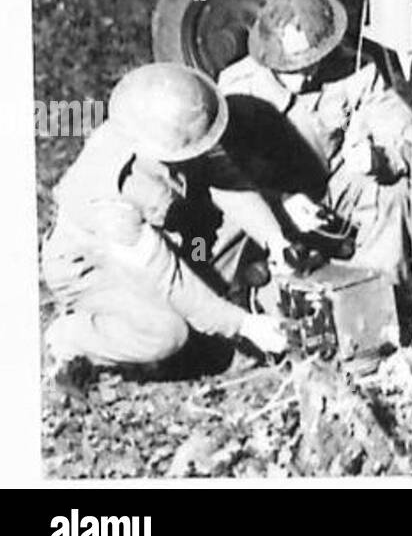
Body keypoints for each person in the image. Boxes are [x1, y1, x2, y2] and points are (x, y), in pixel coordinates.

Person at [42, 63, 288, 396]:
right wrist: (243, 326)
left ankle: (215, 304)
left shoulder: (170, 130)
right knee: (167, 333)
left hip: (169, 238)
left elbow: (226, 181)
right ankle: (72, 337)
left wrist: (276, 239)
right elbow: (166, 278)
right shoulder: (113, 194)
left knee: (236, 230)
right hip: (93, 268)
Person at [217, 0, 412, 280]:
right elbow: (223, 177)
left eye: (312, 63)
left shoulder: (355, 70)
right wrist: (279, 200)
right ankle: (232, 302)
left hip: (334, 193)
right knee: (227, 218)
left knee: (393, 188)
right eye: (291, 70)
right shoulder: (237, 88)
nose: (305, 75)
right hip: (271, 206)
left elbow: (407, 137)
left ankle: (376, 290)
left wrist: (378, 159)